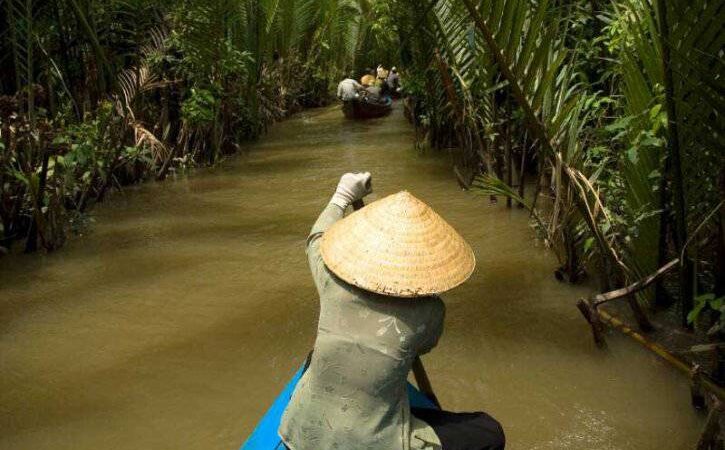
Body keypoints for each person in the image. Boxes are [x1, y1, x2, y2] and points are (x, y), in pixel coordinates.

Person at [279, 173, 506, 450]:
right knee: (490, 431)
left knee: (316, 357)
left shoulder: (332, 282)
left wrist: (342, 195)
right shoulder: (429, 311)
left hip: (298, 428)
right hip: (368, 444)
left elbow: (316, 239)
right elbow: (423, 347)